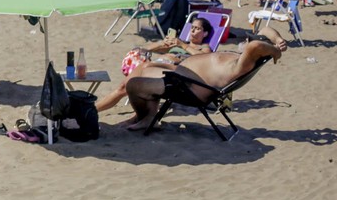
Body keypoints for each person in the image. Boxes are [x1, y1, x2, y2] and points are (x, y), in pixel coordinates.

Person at [121, 38, 284, 132]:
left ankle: (146, 118)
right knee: (147, 70)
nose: (246, 41)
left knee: (133, 85)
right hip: (185, 79)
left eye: (248, 42)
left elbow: (255, 45)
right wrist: (277, 41)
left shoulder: (241, 65)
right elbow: (265, 33)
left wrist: (275, 51)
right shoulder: (240, 59)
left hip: (188, 88)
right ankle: (148, 116)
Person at [96, 16, 216, 112]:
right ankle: (93, 109)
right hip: (156, 66)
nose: (193, 30)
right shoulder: (180, 43)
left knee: (133, 87)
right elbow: (146, 49)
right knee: (123, 87)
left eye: (197, 28)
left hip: (172, 73)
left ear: (205, 33)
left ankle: (95, 111)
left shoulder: (203, 47)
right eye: (192, 27)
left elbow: (203, 58)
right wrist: (162, 43)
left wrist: (183, 45)